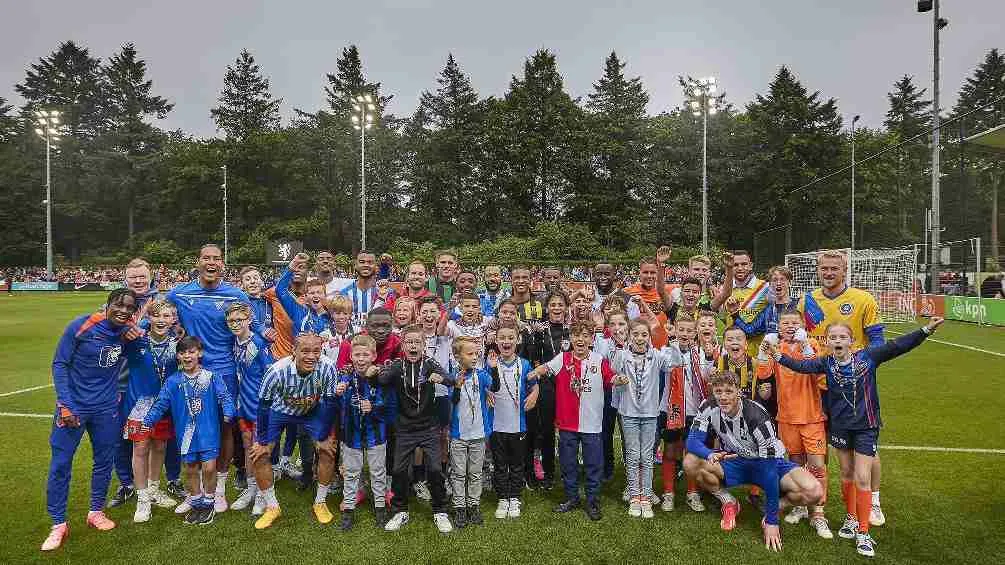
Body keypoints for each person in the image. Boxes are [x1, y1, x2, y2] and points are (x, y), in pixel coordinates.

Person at [768, 317, 944, 557]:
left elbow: (898, 345)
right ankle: (851, 518)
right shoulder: (827, 363)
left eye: (842, 337)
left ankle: (864, 533)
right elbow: (802, 367)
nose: (838, 341)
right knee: (847, 474)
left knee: (862, 478)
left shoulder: (868, 357)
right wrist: (777, 356)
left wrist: (925, 330)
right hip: (840, 428)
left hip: (865, 427)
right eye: (833, 337)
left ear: (851, 341)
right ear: (827, 342)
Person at [683, 370, 823, 553]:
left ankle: (772, 509)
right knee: (690, 462)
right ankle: (729, 501)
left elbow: (769, 470)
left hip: (768, 462)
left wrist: (773, 520)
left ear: (738, 392)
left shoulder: (757, 416)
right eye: (718, 392)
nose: (723, 397)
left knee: (814, 491)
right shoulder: (708, 406)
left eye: (729, 391)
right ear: (713, 392)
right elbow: (692, 441)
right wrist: (709, 454)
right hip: (735, 460)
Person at [42, 289, 139, 551]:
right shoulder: (81, 325)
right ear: (107, 304)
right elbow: (60, 364)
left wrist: (137, 338)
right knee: (61, 464)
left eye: (130, 307)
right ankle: (58, 524)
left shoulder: (127, 333)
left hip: (106, 408)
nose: (123, 310)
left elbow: (143, 358)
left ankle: (96, 511)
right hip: (73, 408)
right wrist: (65, 403)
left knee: (104, 461)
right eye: (119, 304)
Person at [166, 244, 258, 513]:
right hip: (190, 371)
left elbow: (252, 325)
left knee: (225, 427)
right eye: (206, 258)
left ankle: (218, 489)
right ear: (198, 262)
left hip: (226, 371)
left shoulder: (236, 294)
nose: (211, 262)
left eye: (216, 259)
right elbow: (157, 313)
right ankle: (194, 491)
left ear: (222, 264)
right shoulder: (179, 292)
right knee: (190, 425)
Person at [799, 249, 887, 526]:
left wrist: (859, 370)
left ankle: (873, 501)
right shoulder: (807, 301)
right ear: (818, 270)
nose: (828, 273)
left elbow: (878, 343)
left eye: (834, 268)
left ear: (844, 270)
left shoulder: (863, 300)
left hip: (853, 389)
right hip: (816, 386)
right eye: (824, 268)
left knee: (866, 450)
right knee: (814, 446)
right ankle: (812, 501)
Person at [527, 320, 623, 521]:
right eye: (577, 335)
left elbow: (610, 378)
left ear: (591, 339)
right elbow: (546, 367)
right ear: (571, 338)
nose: (581, 339)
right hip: (567, 422)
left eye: (585, 335)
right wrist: (536, 371)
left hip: (592, 423)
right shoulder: (563, 358)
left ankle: (592, 500)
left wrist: (618, 379)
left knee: (593, 463)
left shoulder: (599, 360)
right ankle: (571, 497)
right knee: (568, 463)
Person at [141, 336, 236, 525]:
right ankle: (196, 501)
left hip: (208, 431)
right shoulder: (173, 381)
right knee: (190, 469)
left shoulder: (210, 377)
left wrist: (228, 411)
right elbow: (161, 403)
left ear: (199, 353)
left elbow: (225, 396)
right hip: (186, 433)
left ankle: (209, 502)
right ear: (178, 356)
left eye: (191, 352)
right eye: (182, 352)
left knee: (209, 468)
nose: (187, 356)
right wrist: (149, 419)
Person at [754, 308, 832, 538]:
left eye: (794, 322)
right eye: (785, 322)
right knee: (795, 464)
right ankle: (800, 505)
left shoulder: (813, 346)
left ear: (802, 325)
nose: (789, 326)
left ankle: (818, 514)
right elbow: (763, 372)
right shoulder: (776, 348)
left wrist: (806, 345)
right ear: (779, 326)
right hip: (787, 418)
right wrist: (762, 350)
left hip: (811, 417)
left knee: (817, 465)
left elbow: (818, 372)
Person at [250, 334, 342, 529]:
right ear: (294, 351)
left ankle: (320, 502)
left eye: (316, 351)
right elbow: (263, 406)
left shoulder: (328, 368)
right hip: (278, 411)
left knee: (327, 451)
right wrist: (262, 440)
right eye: (305, 351)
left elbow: (330, 403)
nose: (311, 356)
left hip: (311, 412)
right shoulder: (276, 371)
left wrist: (323, 437)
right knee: (259, 454)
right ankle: (272, 506)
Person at [378, 325, 454, 533]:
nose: (413, 346)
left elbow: (451, 379)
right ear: (403, 345)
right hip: (405, 428)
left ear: (424, 346)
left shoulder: (429, 363)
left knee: (436, 469)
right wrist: (377, 371)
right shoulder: (397, 365)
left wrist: (442, 379)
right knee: (399, 470)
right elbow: (381, 379)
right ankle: (400, 510)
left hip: (429, 427)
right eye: (409, 342)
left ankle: (440, 510)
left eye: (417, 342)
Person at [122, 299, 180, 523]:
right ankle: (142, 498)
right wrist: (143, 317)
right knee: (140, 448)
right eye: (157, 316)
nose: (161, 321)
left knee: (159, 446)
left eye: (166, 316)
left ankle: (154, 489)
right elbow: (124, 332)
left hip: (165, 406)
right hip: (139, 405)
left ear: (173, 319)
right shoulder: (136, 341)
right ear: (150, 318)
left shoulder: (177, 345)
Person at [610, 320, 672, 519]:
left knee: (647, 456)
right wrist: (621, 346)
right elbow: (613, 368)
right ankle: (634, 495)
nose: (639, 338)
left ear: (649, 337)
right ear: (629, 335)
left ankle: (645, 496)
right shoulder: (624, 355)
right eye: (635, 334)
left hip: (650, 414)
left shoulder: (656, 356)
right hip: (628, 413)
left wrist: (672, 339)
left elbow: (676, 362)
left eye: (644, 335)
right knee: (632, 454)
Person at [335, 335, 390, 530]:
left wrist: (373, 406)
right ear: (350, 356)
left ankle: (380, 508)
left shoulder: (382, 377)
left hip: (376, 434)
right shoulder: (346, 376)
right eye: (357, 355)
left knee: (377, 471)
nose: (360, 359)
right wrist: (338, 391)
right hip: (352, 434)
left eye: (365, 355)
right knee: (351, 473)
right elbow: (336, 398)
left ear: (373, 356)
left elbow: (388, 405)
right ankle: (348, 510)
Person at [225, 302, 275, 515]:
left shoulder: (258, 342)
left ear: (248, 320)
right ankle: (251, 489)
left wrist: (268, 402)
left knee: (258, 448)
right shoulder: (234, 341)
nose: (235, 324)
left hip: (259, 404)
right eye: (231, 321)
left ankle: (264, 495)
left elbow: (271, 371)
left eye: (239, 320)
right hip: (242, 402)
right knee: (247, 445)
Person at [660, 315, 713, 512]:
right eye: (681, 330)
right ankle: (668, 493)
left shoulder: (700, 352)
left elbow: (708, 377)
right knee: (671, 450)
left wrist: (708, 358)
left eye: (689, 331)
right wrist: (673, 345)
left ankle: (692, 493)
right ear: (674, 329)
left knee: (692, 453)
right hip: (671, 409)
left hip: (694, 411)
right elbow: (667, 365)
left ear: (695, 333)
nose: (685, 334)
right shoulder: (666, 351)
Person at [448, 337, 500, 528]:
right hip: (459, 436)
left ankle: (473, 505)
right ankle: (460, 507)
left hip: (478, 435)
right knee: (459, 473)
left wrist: (493, 367)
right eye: (469, 353)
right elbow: (452, 402)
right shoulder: (453, 376)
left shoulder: (482, 374)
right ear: (457, 356)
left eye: (476, 353)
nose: (474, 357)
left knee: (476, 473)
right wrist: (456, 386)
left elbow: (495, 387)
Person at [489, 321, 538, 520]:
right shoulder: (491, 363)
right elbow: (484, 383)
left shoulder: (524, 364)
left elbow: (534, 385)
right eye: (502, 338)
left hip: (519, 424)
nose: (506, 341)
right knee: (500, 463)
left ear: (517, 340)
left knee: (517, 463)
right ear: (496, 341)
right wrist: (485, 390)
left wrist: (535, 393)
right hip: (496, 424)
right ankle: (502, 497)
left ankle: (515, 496)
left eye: (510, 338)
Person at [727, 265, 799, 338]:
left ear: (789, 282)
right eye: (775, 280)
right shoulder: (768, 310)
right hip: (774, 349)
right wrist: (735, 314)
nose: (778, 283)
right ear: (770, 284)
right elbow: (750, 331)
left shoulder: (800, 304)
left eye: (782, 279)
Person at [277, 254, 332, 336]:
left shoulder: (333, 316)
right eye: (312, 293)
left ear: (325, 296)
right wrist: (294, 263)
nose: (315, 296)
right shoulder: (298, 311)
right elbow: (280, 289)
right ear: (306, 296)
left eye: (319, 292)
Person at [340, 250, 392, 329]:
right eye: (362, 262)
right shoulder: (344, 294)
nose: (366, 265)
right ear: (355, 265)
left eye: (370, 262)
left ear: (376, 266)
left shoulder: (388, 293)